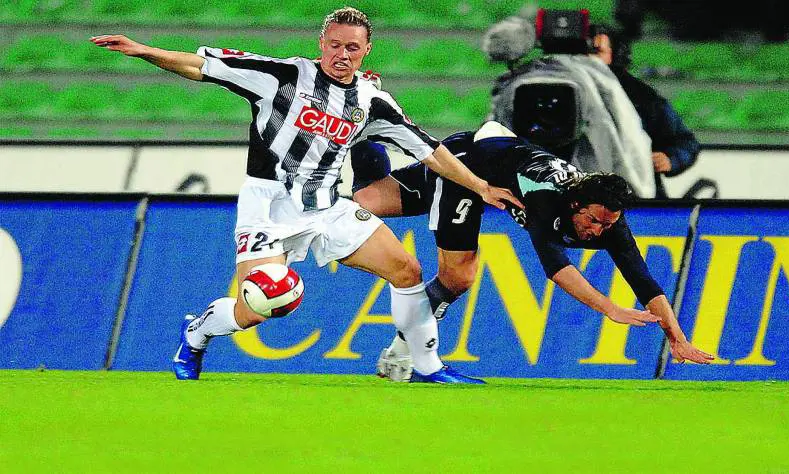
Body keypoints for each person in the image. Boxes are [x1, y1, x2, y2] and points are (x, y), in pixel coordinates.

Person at [91, 7, 522, 384]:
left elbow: (429, 150)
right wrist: (144, 50)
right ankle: (198, 331)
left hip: (327, 206)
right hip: (268, 208)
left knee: (407, 270)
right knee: (259, 306)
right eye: (335, 45)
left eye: (352, 47)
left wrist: (481, 187)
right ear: (322, 43)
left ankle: (425, 367)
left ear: (366, 50)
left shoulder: (372, 101)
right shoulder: (282, 76)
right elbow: (201, 66)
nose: (342, 54)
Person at [350, 121, 714, 381]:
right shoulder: (545, 197)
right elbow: (555, 268)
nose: (597, 232)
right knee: (458, 276)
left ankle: (362, 143)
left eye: (606, 225)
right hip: (466, 166)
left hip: (490, 153)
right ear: (575, 205)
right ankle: (404, 356)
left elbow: (642, 279)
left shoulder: (608, 219)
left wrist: (677, 338)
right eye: (593, 221)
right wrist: (610, 309)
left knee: (366, 200)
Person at [592, 26, 701, 199]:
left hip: (635, 198)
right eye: (583, 52)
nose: (588, 59)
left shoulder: (642, 97)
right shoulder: (558, 92)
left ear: (615, 55)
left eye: (596, 52)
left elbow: (686, 142)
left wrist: (670, 159)